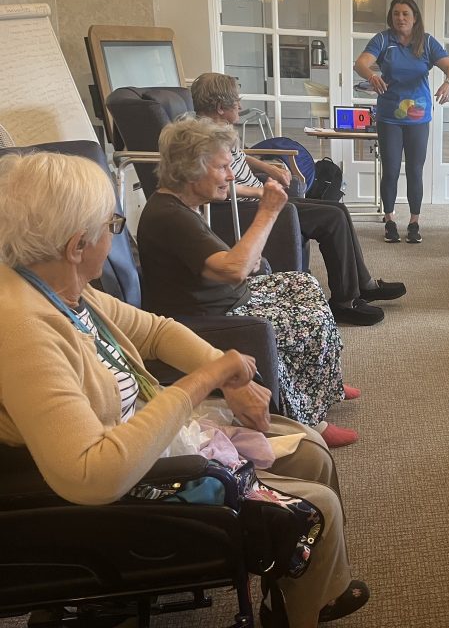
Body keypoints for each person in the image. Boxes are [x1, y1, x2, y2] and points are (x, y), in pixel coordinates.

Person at [0, 151, 369, 627]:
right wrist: (204, 383)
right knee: (319, 505)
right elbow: (89, 475)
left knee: (309, 447)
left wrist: (229, 375)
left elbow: (155, 331)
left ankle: (301, 585)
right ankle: (302, 603)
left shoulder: (63, 288)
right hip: (122, 491)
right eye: (112, 225)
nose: (116, 236)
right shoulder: (23, 329)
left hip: (145, 437)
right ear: (77, 245)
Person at [137, 117, 357, 448]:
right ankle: (310, 421)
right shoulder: (170, 217)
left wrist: (246, 258)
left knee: (305, 286)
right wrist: (267, 212)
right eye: (223, 167)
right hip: (212, 315)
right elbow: (234, 268)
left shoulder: (181, 206)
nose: (230, 175)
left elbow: (228, 264)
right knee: (305, 320)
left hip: (227, 297)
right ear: (191, 168)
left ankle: (327, 385)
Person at [191, 72, 405, 327]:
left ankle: (363, 285)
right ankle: (344, 302)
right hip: (247, 209)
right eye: (236, 100)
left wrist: (267, 168)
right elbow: (218, 189)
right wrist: (261, 193)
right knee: (332, 217)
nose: (240, 105)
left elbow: (239, 157)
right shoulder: (205, 140)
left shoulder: (217, 131)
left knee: (337, 208)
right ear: (219, 107)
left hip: (259, 198)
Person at [353, 0, 449, 244]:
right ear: (391, 17)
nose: (400, 18)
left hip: (419, 117)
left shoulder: (427, 42)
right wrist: (371, 76)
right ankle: (389, 220)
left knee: (415, 170)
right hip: (389, 116)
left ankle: (414, 221)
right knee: (390, 170)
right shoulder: (383, 39)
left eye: (405, 14)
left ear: (415, 18)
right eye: (396, 13)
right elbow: (361, 63)